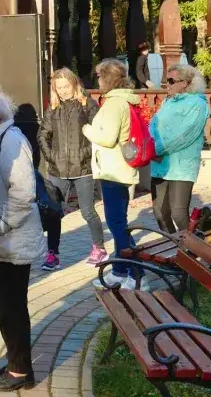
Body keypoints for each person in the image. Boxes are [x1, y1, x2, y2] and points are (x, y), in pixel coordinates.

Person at [0, 84, 43, 391]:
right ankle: (17, 360)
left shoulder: (12, 140)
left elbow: (24, 193)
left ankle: (20, 369)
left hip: (11, 238)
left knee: (10, 302)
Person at [83, 59, 143, 290]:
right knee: (119, 222)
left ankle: (134, 273)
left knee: (118, 225)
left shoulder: (114, 104)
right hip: (118, 169)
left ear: (107, 77)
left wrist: (87, 129)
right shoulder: (122, 100)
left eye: (99, 75)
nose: (97, 80)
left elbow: (107, 139)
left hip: (113, 172)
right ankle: (119, 270)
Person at [37, 68, 105, 271]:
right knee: (53, 213)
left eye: (66, 86)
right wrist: (51, 157)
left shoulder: (87, 104)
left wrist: (85, 152)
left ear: (74, 84)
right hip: (58, 171)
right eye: (59, 87)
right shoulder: (54, 108)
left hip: (83, 168)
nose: (63, 91)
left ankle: (99, 248)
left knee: (87, 211)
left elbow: (100, 132)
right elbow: (43, 135)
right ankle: (52, 254)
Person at [148, 64, 210, 233]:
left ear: (185, 82)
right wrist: (150, 145)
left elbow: (184, 135)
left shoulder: (198, 104)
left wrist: (156, 149)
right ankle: (176, 248)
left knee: (178, 213)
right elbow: (153, 125)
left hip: (182, 166)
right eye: (166, 81)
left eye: (171, 81)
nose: (167, 85)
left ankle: (194, 248)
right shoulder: (167, 102)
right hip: (160, 165)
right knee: (160, 213)